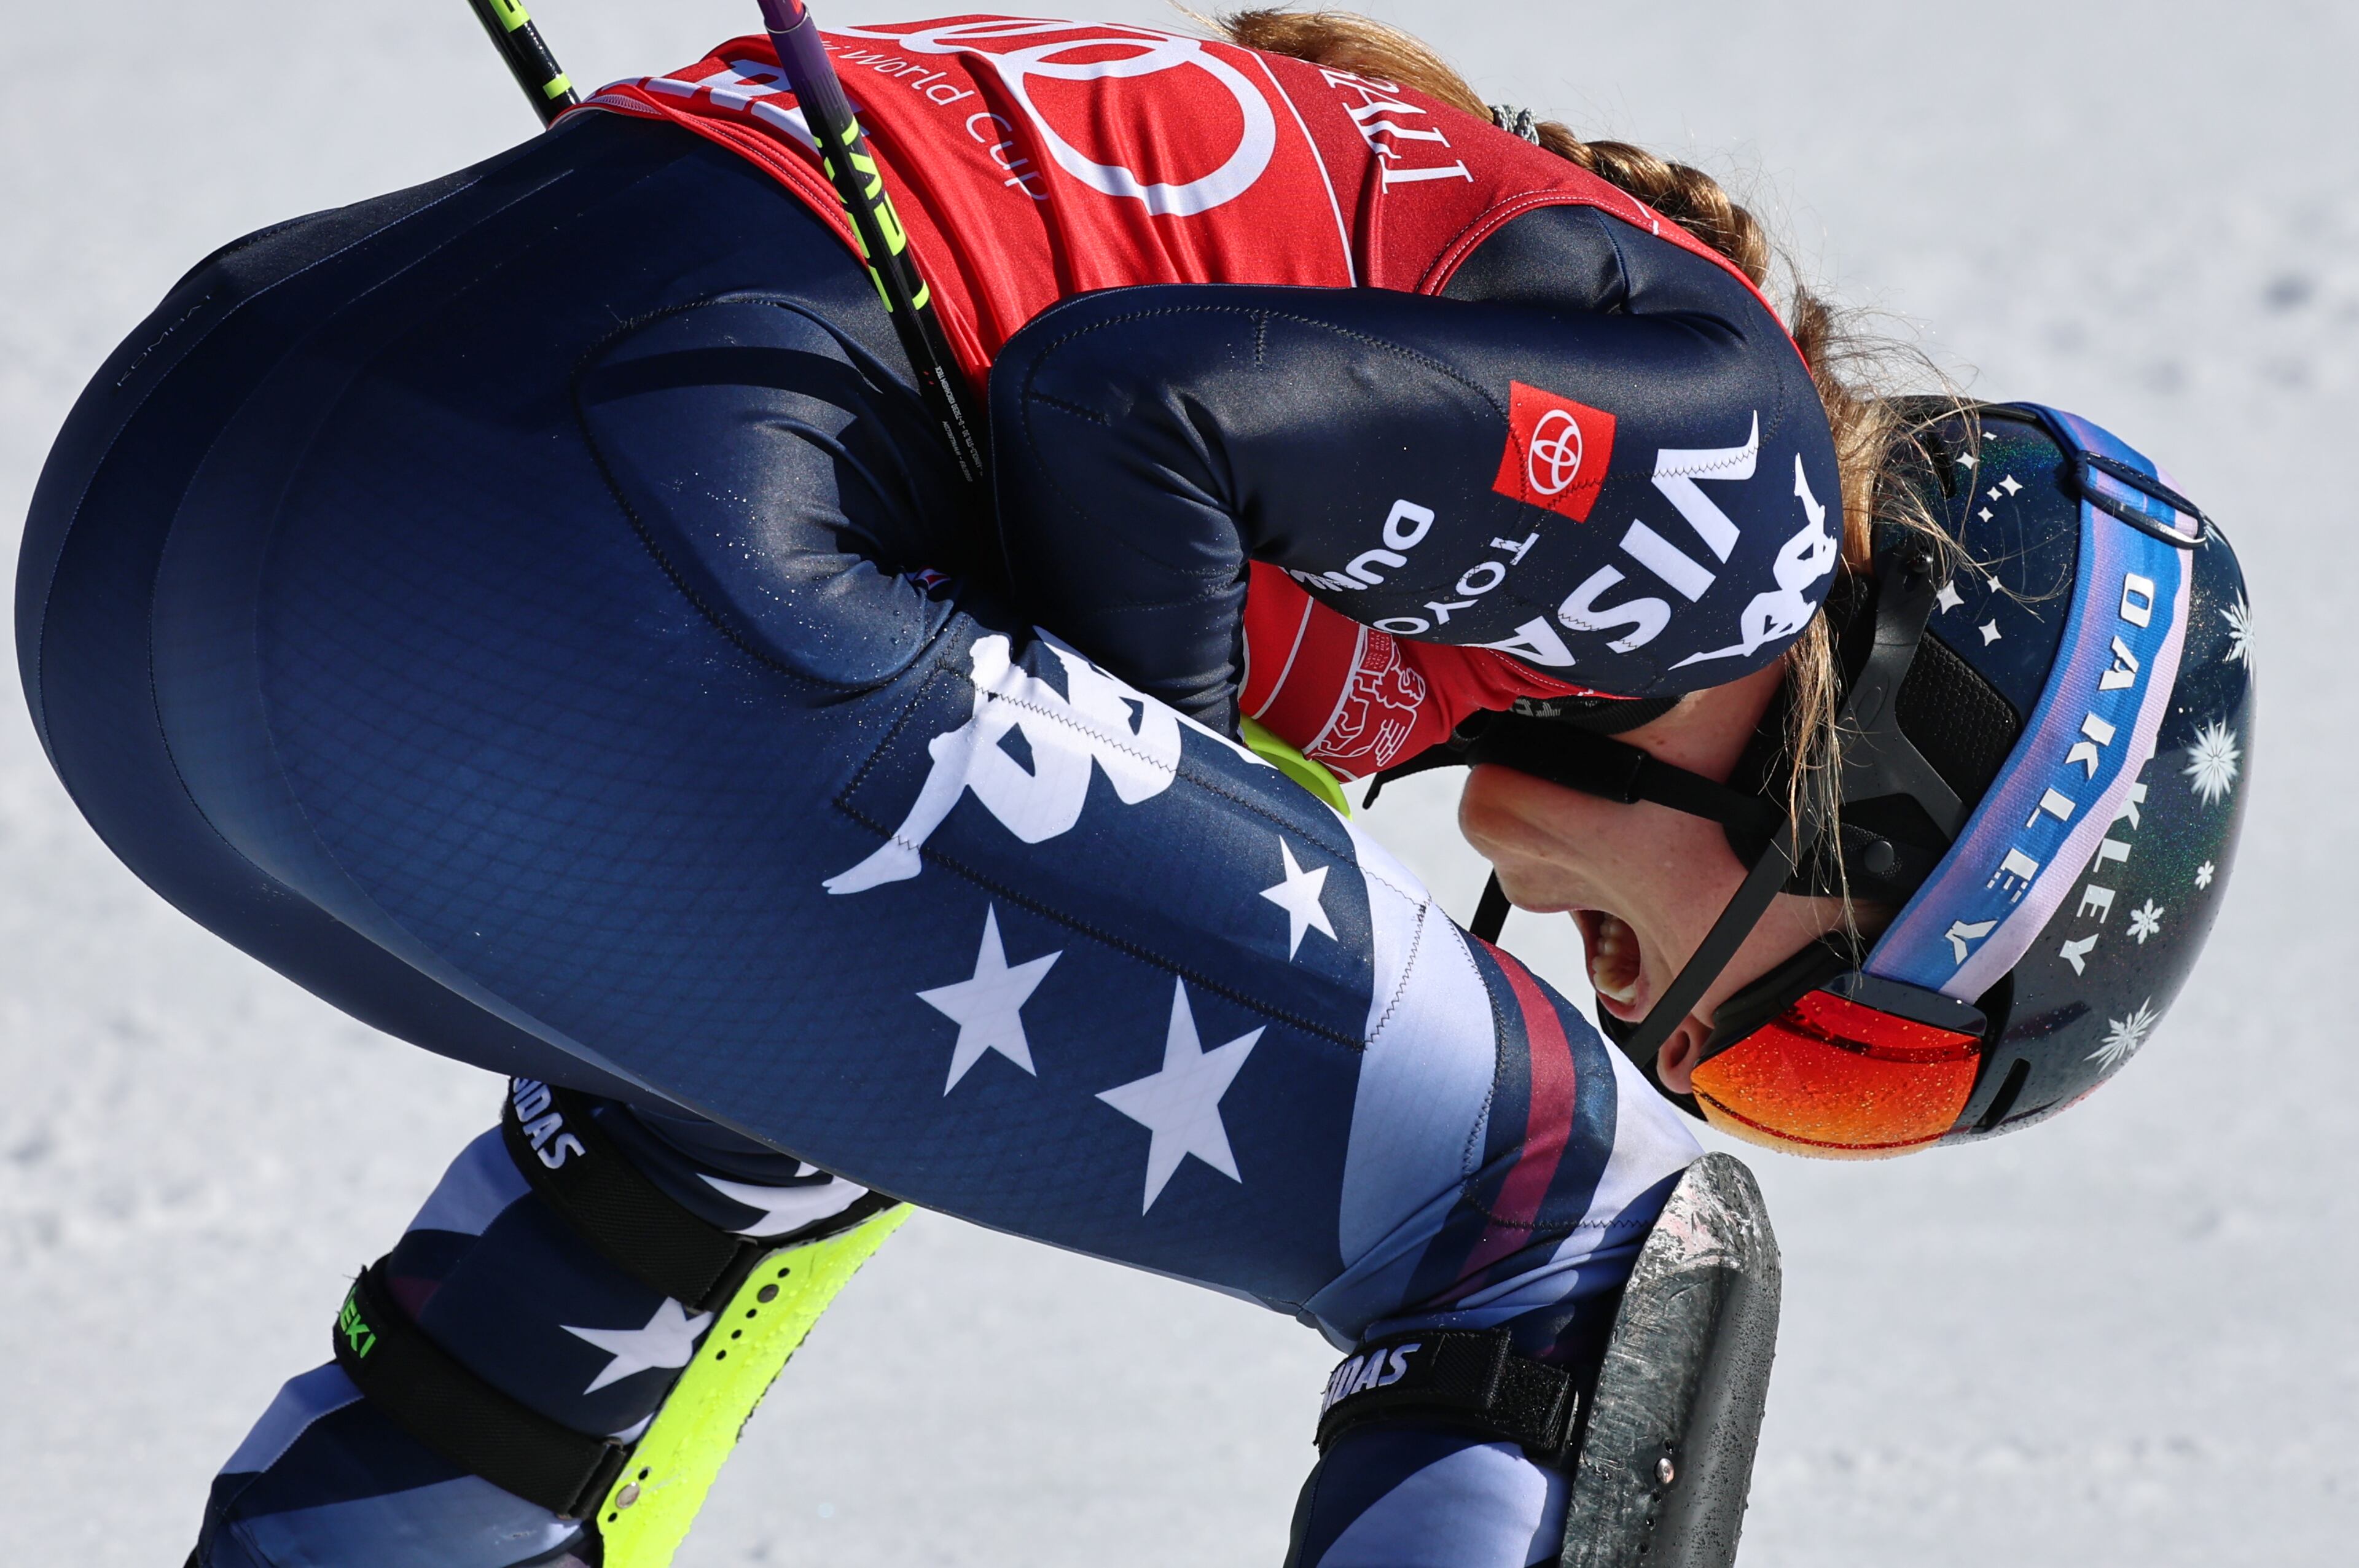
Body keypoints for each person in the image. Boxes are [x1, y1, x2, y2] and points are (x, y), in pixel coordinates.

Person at [12, 10, 2250, 1567]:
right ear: (1895, 802)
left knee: (739, 1157)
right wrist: (1180, 802)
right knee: (1582, 1225)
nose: (1685, 1039)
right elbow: (1123, 406)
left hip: (168, 550)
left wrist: (1149, 807)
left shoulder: (1451, 508)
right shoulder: (1735, 506)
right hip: (556, 559)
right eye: (1841, 1053)